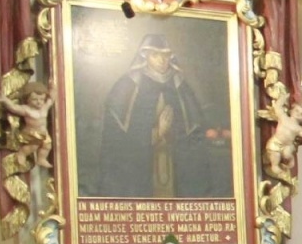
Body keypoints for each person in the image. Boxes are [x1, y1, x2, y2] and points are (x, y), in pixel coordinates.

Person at [89, 33, 229, 199]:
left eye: (165, 55)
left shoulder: (180, 86)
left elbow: (195, 134)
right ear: (145, 56)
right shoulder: (127, 87)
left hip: (175, 166)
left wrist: (174, 135)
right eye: (155, 55)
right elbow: (117, 141)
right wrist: (156, 133)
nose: (162, 61)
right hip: (137, 174)